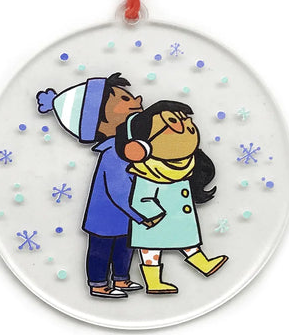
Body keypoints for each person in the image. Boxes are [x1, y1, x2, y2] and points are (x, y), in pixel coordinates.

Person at [36, 73, 146, 298]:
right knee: (101, 250)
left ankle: (121, 279)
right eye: (125, 100)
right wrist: (139, 215)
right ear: (101, 122)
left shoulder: (127, 148)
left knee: (125, 247)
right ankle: (98, 283)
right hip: (106, 218)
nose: (137, 101)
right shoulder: (114, 153)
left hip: (124, 216)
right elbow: (117, 190)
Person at [115, 100, 229, 294]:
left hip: (177, 221)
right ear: (140, 147)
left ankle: (204, 264)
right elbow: (140, 199)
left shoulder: (184, 169)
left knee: (189, 243)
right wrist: (155, 214)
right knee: (151, 252)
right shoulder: (147, 173)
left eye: (186, 122)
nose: (187, 129)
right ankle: (154, 282)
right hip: (155, 224)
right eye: (174, 125)